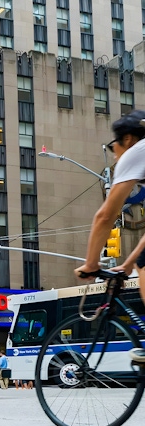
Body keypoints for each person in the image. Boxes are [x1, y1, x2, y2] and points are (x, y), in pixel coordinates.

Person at [73, 110, 145, 363]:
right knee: (141, 261)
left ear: (126, 140)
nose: (114, 152)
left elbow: (105, 216)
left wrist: (91, 264)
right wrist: (126, 265)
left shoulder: (136, 153)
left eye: (113, 146)